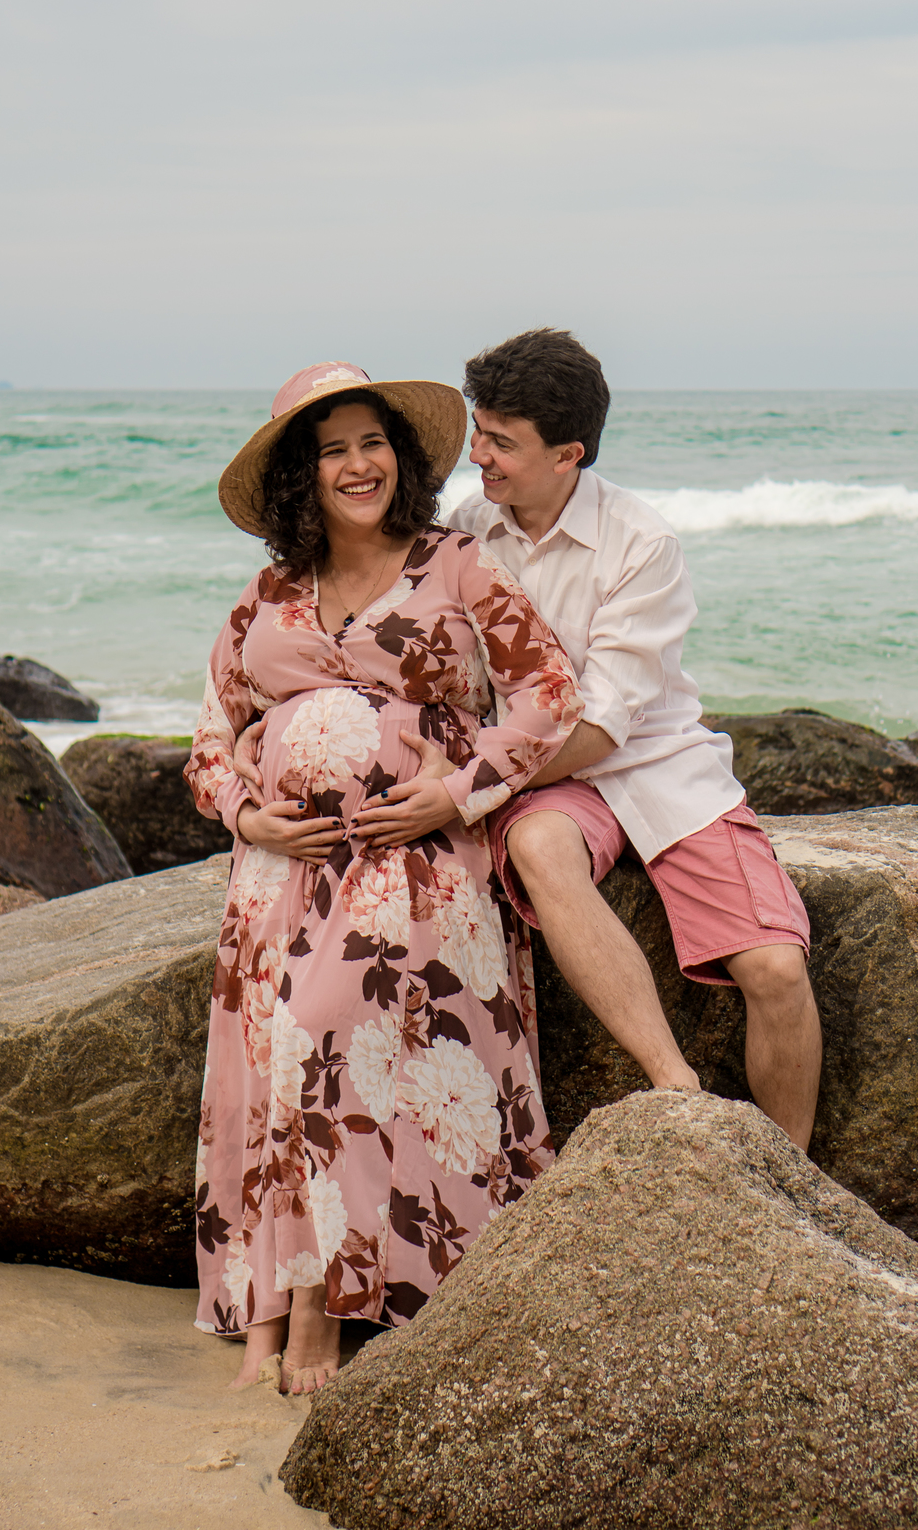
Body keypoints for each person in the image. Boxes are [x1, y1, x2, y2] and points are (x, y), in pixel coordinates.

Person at [185, 360, 583, 1395]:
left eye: (372, 443)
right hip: (280, 876)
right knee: (270, 1056)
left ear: (399, 458)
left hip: (414, 863)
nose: (357, 464)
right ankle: (268, 1302)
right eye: (332, 450)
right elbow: (209, 739)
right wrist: (251, 812)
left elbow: (548, 692)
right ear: (300, 478)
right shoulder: (268, 594)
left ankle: (322, 1302)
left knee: (319, 1028)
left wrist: (463, 793)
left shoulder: (456, 565)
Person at [443, 329, 822, 1151]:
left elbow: (606, 723)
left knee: (778, 970)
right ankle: (672, 1082)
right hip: (547, 783)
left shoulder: (641, 542)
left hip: (653, 763)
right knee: (542, 848)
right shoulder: (465, 530)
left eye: (502, 442)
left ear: (568, 454)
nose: (479, 454)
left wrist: (476, 783)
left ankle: (793, 1185)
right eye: (481, 431)